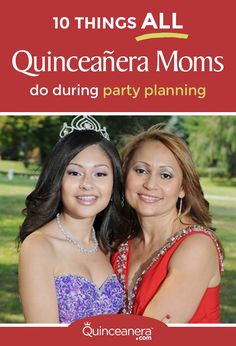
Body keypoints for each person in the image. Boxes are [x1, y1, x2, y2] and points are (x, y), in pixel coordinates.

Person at [18, 115, 126, 323]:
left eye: (100, 174)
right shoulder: (39, 246)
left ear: (114, 183)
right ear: (58, 179)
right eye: (75, 173)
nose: (87, 184)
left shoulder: (108, 245)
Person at [112, 124, 224, 323]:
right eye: (140, 170)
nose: (150, 184)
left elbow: (151, 333)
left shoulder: (196, 246)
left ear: (182, 188)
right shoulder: (120, 242)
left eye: (165, 175)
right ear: (125, 176)